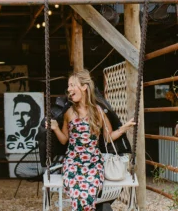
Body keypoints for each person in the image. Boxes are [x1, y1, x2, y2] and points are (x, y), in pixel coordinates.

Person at [48, 70, 136, 210]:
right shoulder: (69, 112)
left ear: (84, 87)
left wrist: (123, 128)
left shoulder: (98, 111)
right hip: (72, 162)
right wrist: (55, 128)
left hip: (93, 163)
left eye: (72, 85)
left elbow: (108, 137)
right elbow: (64, 140)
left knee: (89, 195)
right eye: (68, 86)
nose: (69, 89)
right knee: (76, 194)